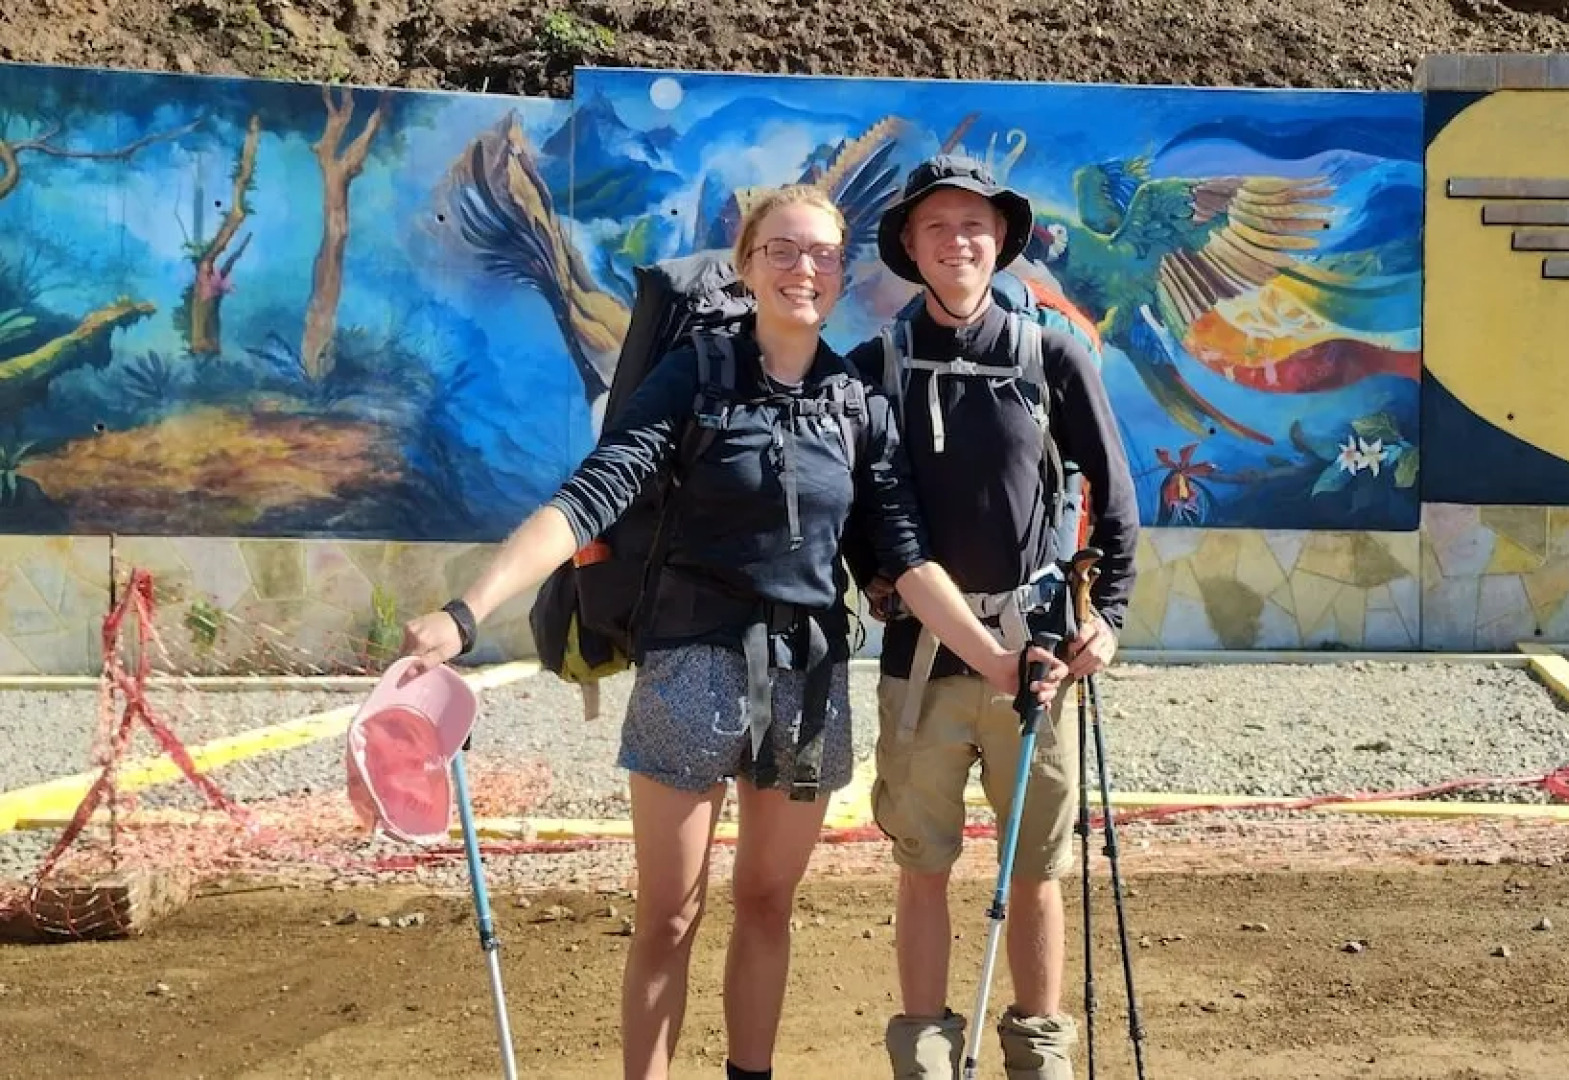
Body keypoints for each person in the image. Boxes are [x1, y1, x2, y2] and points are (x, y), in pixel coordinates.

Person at [397, 183, 1071, 1080]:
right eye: (783, 250)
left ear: (841, 273)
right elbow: (594, 494)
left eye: (823, 254)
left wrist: (996, 660)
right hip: (692, 672)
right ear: (748, 265)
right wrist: (466, 611)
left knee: (766, 905)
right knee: (670, 915)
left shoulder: (857, 398)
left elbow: (905, 554)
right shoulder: (698, 374)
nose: (804, 268)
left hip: (808, 682)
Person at [844, 155, 1140, 1080]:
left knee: (1036, 868)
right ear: (912, 248)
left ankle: (1038, 1055)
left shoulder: (1051, 354)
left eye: (975, 225)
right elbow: (855, 504)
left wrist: (1111, 617)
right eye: (938, 227)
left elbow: (1116, 496)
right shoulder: (873, 367)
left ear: (1002, 240)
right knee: (923, 860)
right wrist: (872, 576)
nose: (958, 242)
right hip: (919, 664)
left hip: (1037, 659)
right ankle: (925, 1055)